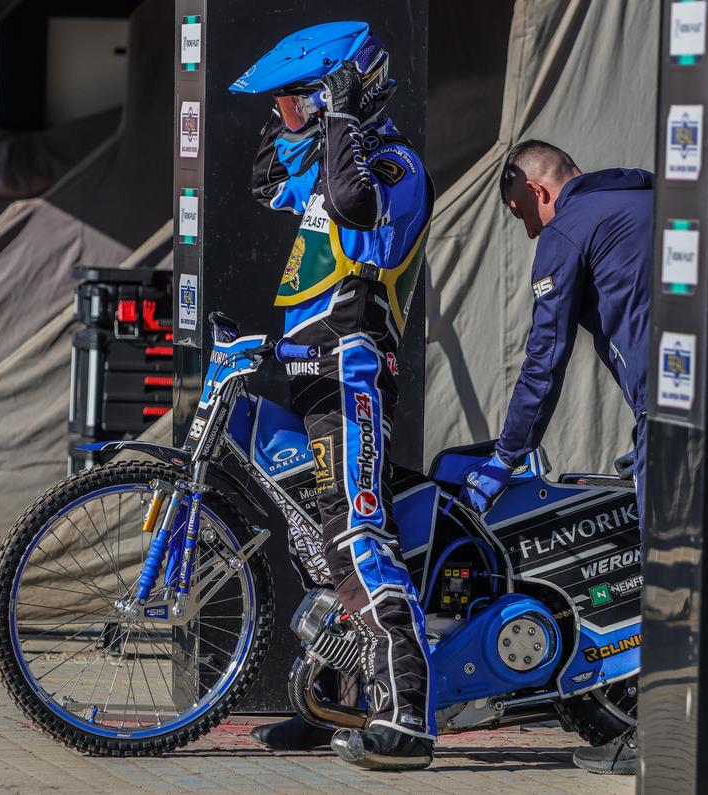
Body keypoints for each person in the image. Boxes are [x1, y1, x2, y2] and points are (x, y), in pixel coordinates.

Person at [229, 22, 437, 770]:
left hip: (352, 371)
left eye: (295, 101)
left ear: (340, 94)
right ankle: (339, 703)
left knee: (356, 537)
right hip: (308, 371)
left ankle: (408, 714)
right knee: (314, 544)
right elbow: (265, 182)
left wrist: (340, 111)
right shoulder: (328, 160)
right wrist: (294, 115)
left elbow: (353, 204)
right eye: (281, 105)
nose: (285, 116)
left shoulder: (391, 163)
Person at [460, 140, 652, 775]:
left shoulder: (568, 227)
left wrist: (506, 457)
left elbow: (545, 359)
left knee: (674, 574)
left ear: (538, 191)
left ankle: (662, 738)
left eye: (523, 215)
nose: (528, 231)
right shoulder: (650, 197)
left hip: (678, 413)